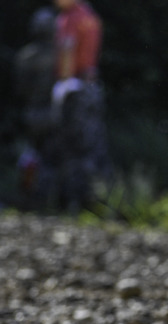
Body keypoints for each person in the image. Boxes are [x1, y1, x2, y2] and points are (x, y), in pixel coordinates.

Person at [50, 0, 110, 212]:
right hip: (91, 86)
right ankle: (95, 200)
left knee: (71, 147)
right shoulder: (91, 16)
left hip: (74, 88)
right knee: (92, 146)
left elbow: (67, 47)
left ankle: (72, 202)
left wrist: (63, 81)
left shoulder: (70, 17)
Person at [13, 8, 58, 209]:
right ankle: (49, 199)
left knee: (31, 155)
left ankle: (28, 196)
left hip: (31, 113)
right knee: (51, 155)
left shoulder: (25, 56)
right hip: (54, 113)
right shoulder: (60, 55)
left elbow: (20, 89)